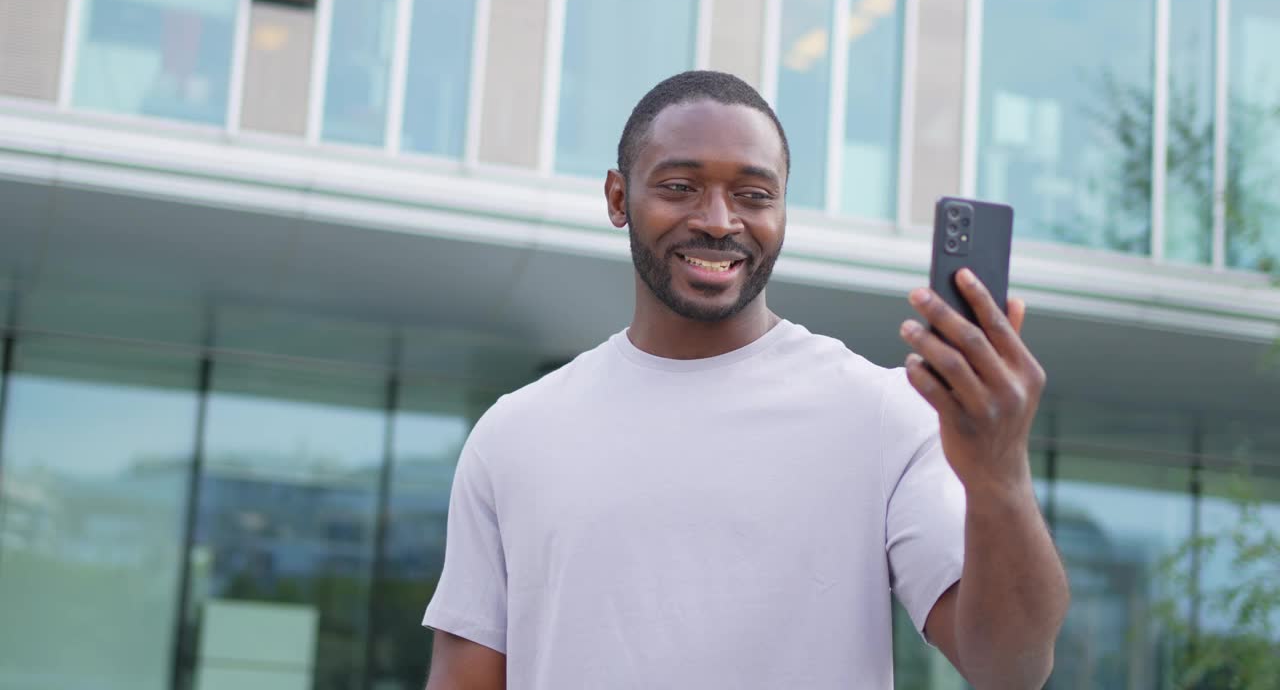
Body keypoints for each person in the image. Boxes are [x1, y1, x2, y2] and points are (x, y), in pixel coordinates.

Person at [422, 70, 1068, 689]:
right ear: (619, 198)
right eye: (679, 186)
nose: (719, 220)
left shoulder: (884, 413)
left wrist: (1000, 474)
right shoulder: (516, 432)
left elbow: (1009, 668)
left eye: (754, 195)